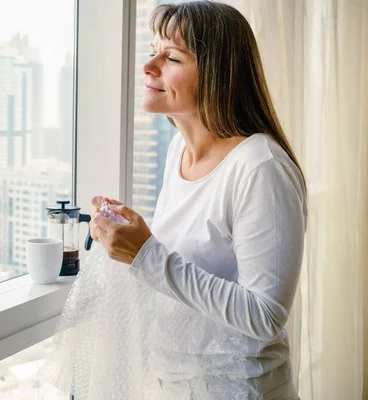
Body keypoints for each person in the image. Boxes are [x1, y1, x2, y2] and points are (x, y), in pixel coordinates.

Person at [89, 1, 307, 398]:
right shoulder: (179, 152)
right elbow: (197, 261)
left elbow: (265, 316)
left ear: (219, 75)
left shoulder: (260, 167)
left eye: (171, 57)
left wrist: (145, 254)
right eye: (152, 50)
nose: (149, 66)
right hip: (176, 383)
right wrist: (134, 239)